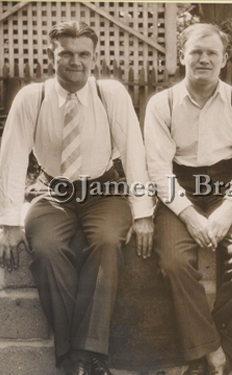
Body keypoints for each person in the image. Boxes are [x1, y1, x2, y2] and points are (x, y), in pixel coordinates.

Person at [0, 21, 154, 375]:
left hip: (103, 190)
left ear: (95, 57)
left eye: (84, 54)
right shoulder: (31, 97)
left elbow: (133, 151)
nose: (75, 61)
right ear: (50, 56)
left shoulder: (110, 94)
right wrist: (9, 222)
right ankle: (85, 356)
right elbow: (12, 158)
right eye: (66, 53)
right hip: (53, 191)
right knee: (46, 246)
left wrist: (143, 212)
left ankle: (77, 358)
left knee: (106, 241)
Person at [144, 23, 232, 375]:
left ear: (225, 59)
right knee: (173, 263)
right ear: (182, 56)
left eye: (212, 52)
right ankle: (213, 351)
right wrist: (190, 216)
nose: (204, 59)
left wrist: (227, 211)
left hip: (230, 188)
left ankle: (215, 342)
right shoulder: (161, 103)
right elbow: (157, 167)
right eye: (196, 51)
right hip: (179, 189)